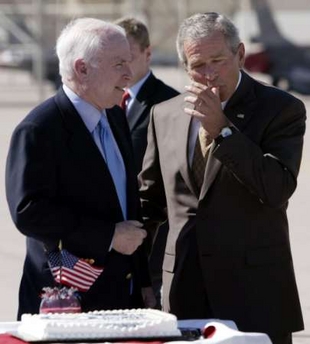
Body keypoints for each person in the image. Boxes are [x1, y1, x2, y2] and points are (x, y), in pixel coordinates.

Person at [138, 12, 305, 344]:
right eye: (198, 64)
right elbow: (151, 203)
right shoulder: (165, 114)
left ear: (240, 55)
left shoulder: (281, 109)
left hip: (254, 293)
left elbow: (277, 188)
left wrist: (224, 133)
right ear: (185, 67)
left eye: (218, 60)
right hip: (183, 292)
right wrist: (141, 277)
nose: (210, 73)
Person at [5, 17, 155, 319]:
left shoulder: (114, 116)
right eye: (118, 65)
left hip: (122, 299)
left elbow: (128, 206)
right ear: (82, 68)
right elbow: (29, 212)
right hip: (66, 304)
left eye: (129, 63)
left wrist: (144, 282)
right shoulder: (39, 129)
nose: (129, 74)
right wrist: (108, 236)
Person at [115, 17, 179, 308]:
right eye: (116, 59)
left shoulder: (168, 103)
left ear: (147, 54)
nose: (123, 66)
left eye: (129, 56)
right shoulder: (104, 100)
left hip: (152, 228)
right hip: (113, 226)